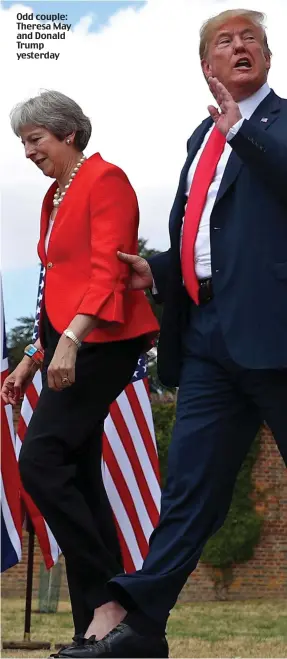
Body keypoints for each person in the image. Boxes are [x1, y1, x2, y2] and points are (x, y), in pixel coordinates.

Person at [55, 8, 287, 659]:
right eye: (224, 41)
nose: (239, 46)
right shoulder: (201, 136)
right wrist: (152, 270)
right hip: (207, 334)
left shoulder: (271, 124)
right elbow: (206, 231)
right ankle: (142, 628)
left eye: (251, 39)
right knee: (187, 489)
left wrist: (241, 130)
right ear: (206, 65)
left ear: (265, 58)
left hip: (275, 330)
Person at [1, 90, 159, 652]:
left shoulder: (106, 180)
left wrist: (69, 341)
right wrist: (31, 357)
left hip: (104, 341)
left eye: (35, 139)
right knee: (80, 477)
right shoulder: (54, 196)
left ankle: (114, 598)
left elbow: (107, 271)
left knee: (40, 461)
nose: (27, 152)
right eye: (22, 142)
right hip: (67, 343)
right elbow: (55, 290)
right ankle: (102, 632)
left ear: (67, 133)